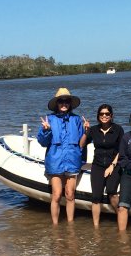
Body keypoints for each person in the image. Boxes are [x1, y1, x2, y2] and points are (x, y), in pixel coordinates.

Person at [37, 88, 85, 225]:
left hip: (73, 161)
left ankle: (70, 225)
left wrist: (88, 131)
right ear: (57, 103)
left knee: (70, 194)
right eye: (61, 101)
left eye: (66, 101)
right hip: (55, 161)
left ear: (70, 103)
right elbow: (42, 142)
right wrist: (46, 131)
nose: (64, 104)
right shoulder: (49, 119)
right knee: (57, 195)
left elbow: (82, 142)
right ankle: (55, 226)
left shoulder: (76, 120)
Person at [80, 104, 124, 228]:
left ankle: (121, 216)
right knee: (95, 197)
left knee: (111, 191)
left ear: (111, 115)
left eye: (107, 114)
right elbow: (81, 144)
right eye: (101, 114)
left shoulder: (118, 129)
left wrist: (112, 165)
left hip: (114, 164)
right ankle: (96, 227)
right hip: (98, 165)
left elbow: (122, 149)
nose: (104, 116)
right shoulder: (94, 130)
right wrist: (86, 132)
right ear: (98, 116)